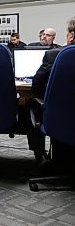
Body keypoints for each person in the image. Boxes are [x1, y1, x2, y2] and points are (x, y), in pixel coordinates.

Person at [28, 19, 75, 165]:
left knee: (30, 103)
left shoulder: (56, 55)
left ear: (71, 36)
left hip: (61, 115)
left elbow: (36, 86)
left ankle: (40, 155)